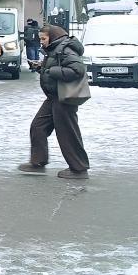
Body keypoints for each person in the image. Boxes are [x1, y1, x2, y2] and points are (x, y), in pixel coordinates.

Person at [20, 24, 90, 179]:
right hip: (53, 97)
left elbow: (78, 70)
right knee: (38, 127)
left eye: (43, 38)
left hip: (64, 98)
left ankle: (79, 169)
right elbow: (57, 67)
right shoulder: (54, 49)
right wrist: (41, 67)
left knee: (67, 133)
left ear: (53, 37)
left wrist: (51, 71)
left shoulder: (65, 49)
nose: (41, 42)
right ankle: (37, 163)